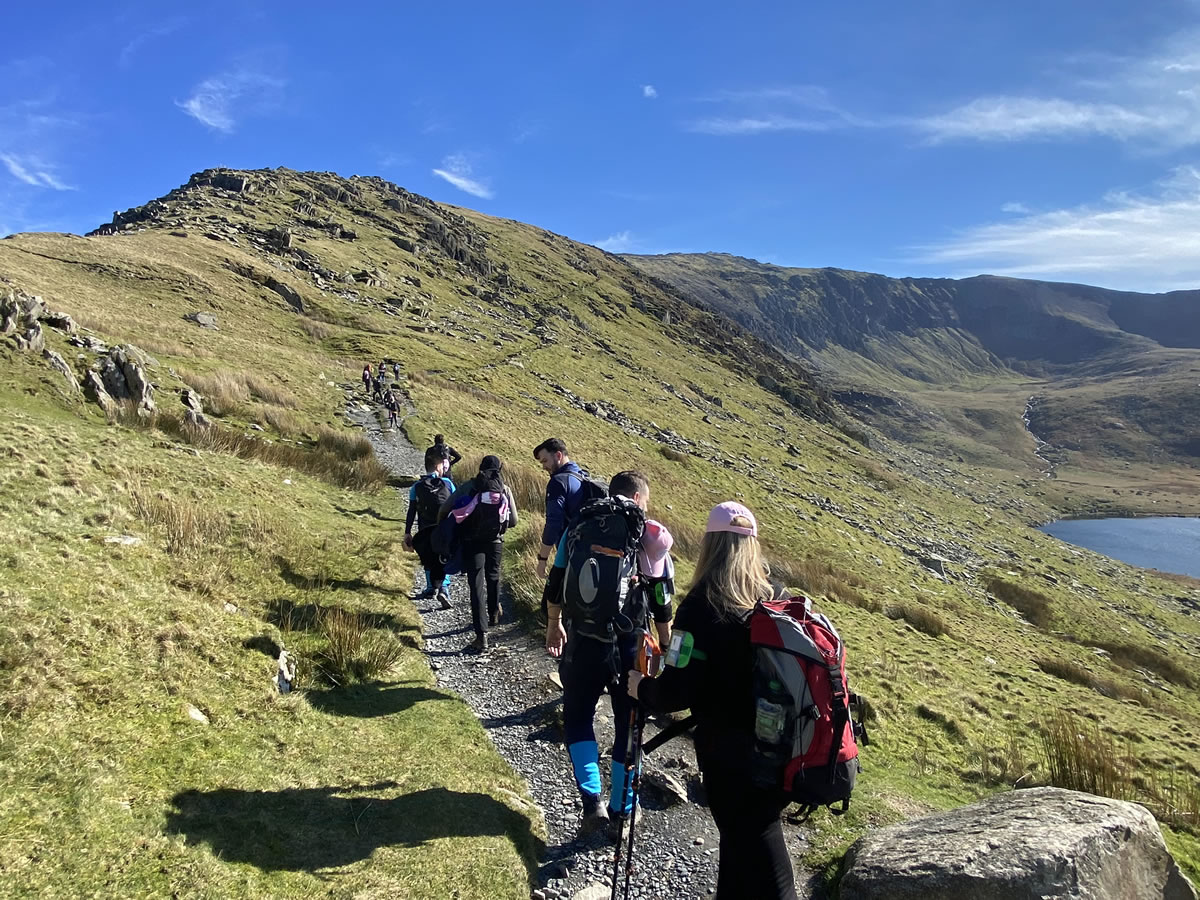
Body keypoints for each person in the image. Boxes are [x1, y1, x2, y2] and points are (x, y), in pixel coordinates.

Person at [627, 502, 797, 900]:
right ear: (751, 546)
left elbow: (675, 693)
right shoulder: (776, 596)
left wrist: (641, 687)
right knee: (743, 845)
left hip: (730, 754)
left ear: (710, 545)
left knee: (759, 850)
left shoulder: (702, 606)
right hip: (781, 746)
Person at [545, 470, 674, 840]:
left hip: (583, 640)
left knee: (578, 718)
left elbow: (556, 581)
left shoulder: (580, 524)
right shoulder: (647, 532)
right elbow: (662, 597)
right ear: (638, 498)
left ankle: (592, 803)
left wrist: (554, 624)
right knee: (628, 727)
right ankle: (622, 811)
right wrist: (663, 644)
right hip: (630, 646)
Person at [440, 455, 518, 653]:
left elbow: (445, 509)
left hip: (472, 542)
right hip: (496, 541)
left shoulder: (469, 486)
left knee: (476, 585)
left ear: (480, 468)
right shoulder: (504, 489)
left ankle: (481, 636)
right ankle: (493, 613)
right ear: (499, 469)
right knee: (494, 576)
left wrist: (442, 526)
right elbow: (514, 521)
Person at [404, 449, 455, 608]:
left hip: (425, 528)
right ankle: (444, 588)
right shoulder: (448, 483)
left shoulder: (416, 487)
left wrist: (407, 532)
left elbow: (411, 511)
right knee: (444, 556)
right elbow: (456, 504)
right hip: (444, 527)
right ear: (438, 466)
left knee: (427, 557)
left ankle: (431, 587)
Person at [532, 437, 587, 579]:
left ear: (558, 455)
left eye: (545, 461)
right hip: (589, 553)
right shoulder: (582, 476)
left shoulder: (558, 482)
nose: (543, 467)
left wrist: (542, 559)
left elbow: (553, 523)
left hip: (569, 554)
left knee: (552, 599)